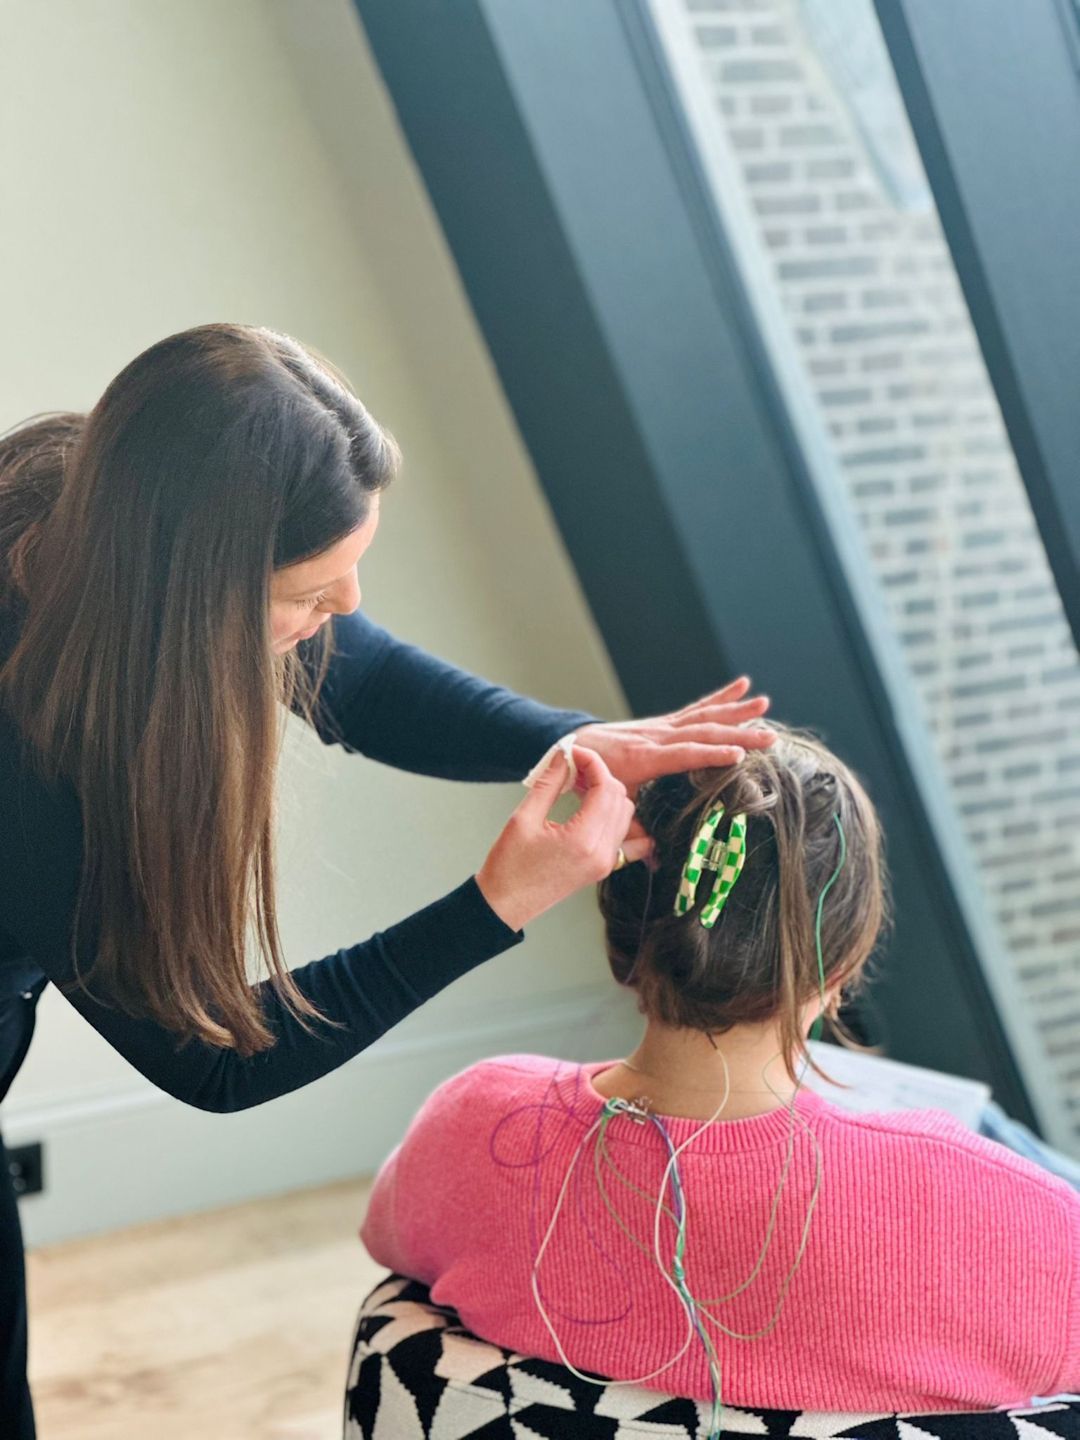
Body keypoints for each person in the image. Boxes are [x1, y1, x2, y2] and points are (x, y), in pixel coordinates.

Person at [0, 322, 774, 1438]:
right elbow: (212, 1060)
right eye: (314, 590)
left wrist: (571, 741)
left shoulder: (95, 500)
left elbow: (357, 675)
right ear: (200, 594)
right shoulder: (30, 765)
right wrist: (497, 904)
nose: (349, 607)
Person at [361, 725, 1080, 1415]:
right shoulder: (1013, 1216)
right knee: (993, 1128)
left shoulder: (474, 1117)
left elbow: (388, 1240)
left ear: (623, 941)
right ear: (844, 967)